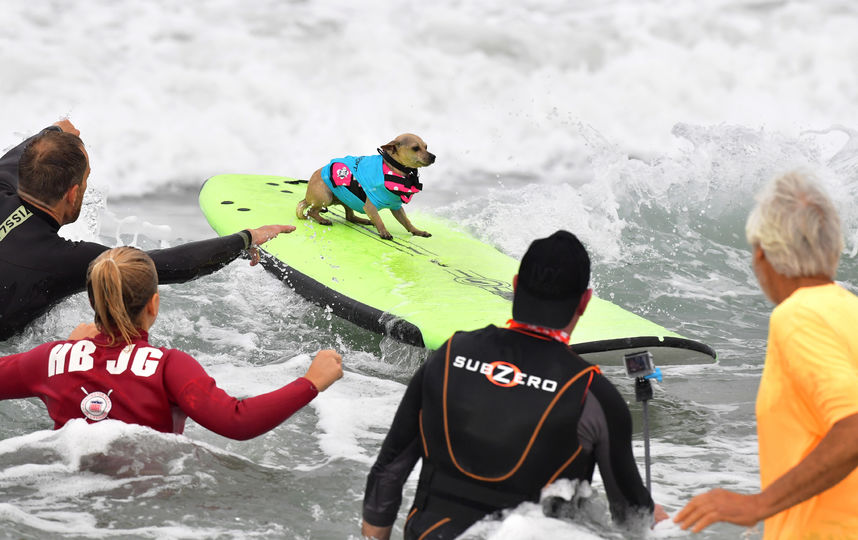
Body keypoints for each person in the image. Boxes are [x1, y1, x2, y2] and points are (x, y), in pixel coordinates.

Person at [361, 230, 666, 540]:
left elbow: (389, 471)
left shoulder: (449, 355)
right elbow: (632, 519)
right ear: (585, 302)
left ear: (516, 285)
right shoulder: (591, 393)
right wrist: (657, 517)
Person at [675, 172, 858, 537]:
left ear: (762, 253)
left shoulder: (798, 316)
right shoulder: (849, 311)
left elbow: (853, 427)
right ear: (833, 247)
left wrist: (758, 505)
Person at [0, 246, 343, 438]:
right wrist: (310, 383)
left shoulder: (51, 360)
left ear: (93, 303)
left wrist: (66, 348)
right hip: (146, 505)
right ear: (154, 304)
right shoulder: (169, 367)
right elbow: (236, 421)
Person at [0, 119, 293, 340]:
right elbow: (169, 266)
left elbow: (25, 154)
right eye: (86, 179)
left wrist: (55, 132)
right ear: (73, 193)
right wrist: (246, 238)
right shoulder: (61, 260)